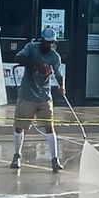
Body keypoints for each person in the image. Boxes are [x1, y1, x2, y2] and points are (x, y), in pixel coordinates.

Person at [10, 27, 65, 172]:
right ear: (41, 40)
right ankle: (17, 155)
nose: (49, 45)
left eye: (51, 43)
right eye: (46, 42)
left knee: (49, 127)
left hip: (44, 97)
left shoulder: (54, 57)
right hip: (27, 95)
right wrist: (35, 64)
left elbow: (59, 74)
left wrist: (61, 86)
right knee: (19, 126)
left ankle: (55, 160)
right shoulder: (31, 48)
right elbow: (17, 58)